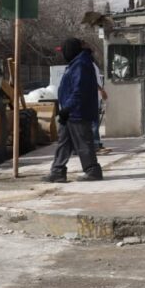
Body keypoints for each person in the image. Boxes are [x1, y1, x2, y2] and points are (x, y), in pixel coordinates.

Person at [44, 38, 103, 183]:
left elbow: (79, 91)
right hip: (70, 112)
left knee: (84, 143)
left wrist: (67, 108)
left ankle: (92, 170)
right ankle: (57, 171)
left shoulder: (81, 65)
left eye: (63, 51)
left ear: (70, 50)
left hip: (78, 112)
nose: (62, 54)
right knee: (63, 143)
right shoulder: (76, 63)